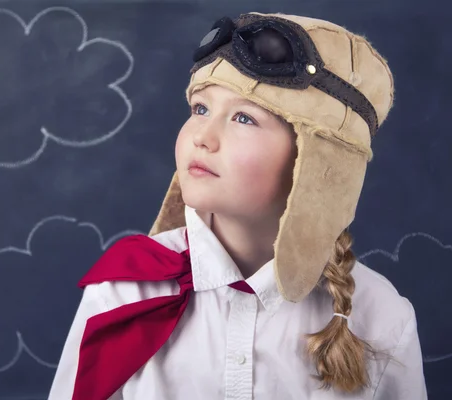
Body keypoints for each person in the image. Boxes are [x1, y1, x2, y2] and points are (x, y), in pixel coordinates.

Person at [48, 11, 427, 400]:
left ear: (319, 164)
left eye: (244, 118)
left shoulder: (382, 319)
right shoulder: (123, 292)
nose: (203, 137)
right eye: (200, 109)